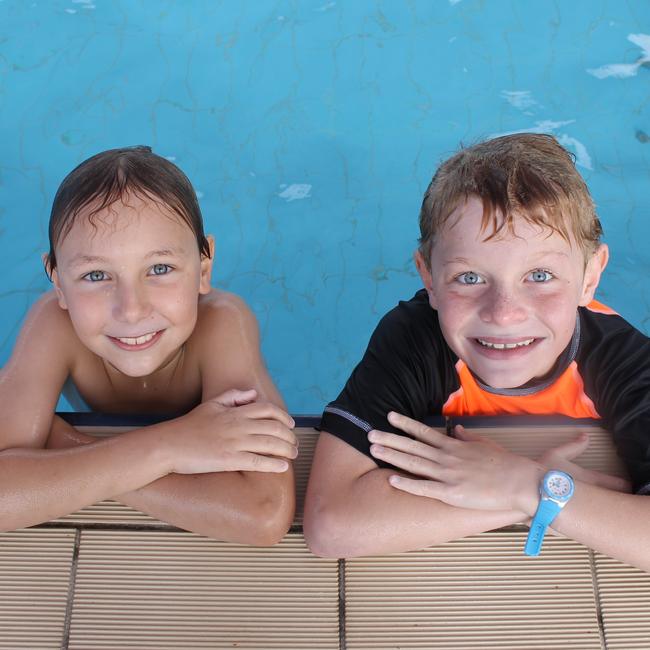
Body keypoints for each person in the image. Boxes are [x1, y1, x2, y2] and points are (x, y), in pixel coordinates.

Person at [304, 133, 650, 571]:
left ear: (589, 277)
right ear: (428, 278)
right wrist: (533, 493)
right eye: (469, 278)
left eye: (540, 275)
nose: (503, 314)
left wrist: (526, 484)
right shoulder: (415, 340)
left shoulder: (624, 359)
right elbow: (331, 523)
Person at [0, 146, 297, 544]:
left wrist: (64, 447)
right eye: (95, 275)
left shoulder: (223, 324)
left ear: (203, 270)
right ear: (58, 283)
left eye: (159, 269)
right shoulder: (52, 325)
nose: (132, 310)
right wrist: (167, 447)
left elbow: (263, 514)